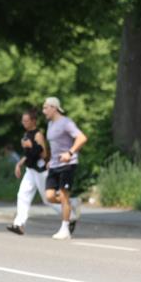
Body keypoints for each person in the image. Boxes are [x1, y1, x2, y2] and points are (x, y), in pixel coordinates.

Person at [7, 108, 62, 235]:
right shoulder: (26, 134)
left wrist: (31, 146)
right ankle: (19, 224)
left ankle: (68, 211)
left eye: (26, 121)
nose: (24, 123)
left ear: (33, 121)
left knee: (47, 199)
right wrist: (19, 164)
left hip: (40, 171)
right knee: (22, 195)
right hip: (30, 170)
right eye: (23, 121)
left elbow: (44, 154)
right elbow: (28, 155)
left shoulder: (38, 135)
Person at [42, 96, 86, 240]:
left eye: (45, 108)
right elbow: (54, 145)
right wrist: (50, 160)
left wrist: (70, 153)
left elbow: (82, 138)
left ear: (54, 108)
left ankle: (65, 229)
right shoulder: (50, 124)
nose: (43, 111)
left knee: (63, 195)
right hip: (54, 165)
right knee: (49, 197)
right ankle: (72, 203)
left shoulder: (66, 122)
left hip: (68, 164)